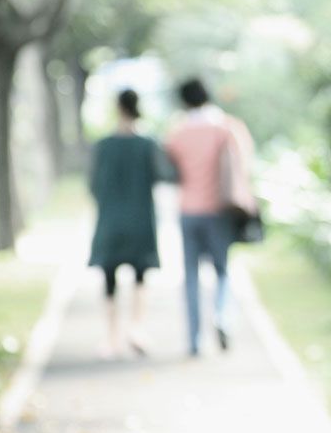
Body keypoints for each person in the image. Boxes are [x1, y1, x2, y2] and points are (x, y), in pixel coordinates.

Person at [165, 77, 257, 357]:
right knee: (222, 270)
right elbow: (245, 163)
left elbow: (170, 170)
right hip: (219, 210)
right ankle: (221, 316)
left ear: (184, 101)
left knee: (191, 275)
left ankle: (194, 341)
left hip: (188, 211)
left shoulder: (177, 133)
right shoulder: (227, 128)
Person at [87, 88, 165, 358]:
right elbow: (162, 175)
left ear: (118, 107)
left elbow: (93, 185)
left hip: (110, 220)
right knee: (141, 276)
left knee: (109, 279)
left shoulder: (104, 146)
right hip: (141, 218)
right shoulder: (148, 144)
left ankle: (111, 338)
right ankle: (136, 329)